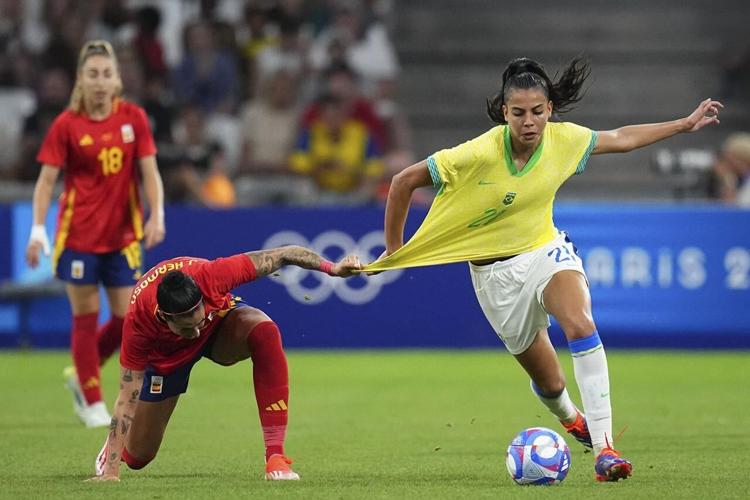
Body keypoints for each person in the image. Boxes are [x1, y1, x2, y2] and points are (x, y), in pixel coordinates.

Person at [366, 57, 723, 482]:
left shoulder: (565, 140)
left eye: (537, 111)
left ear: (550, 109)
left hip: (544, 253)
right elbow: (403, 181)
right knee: (551, 384)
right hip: (494, 281)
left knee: (579, 322)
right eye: (519, 113)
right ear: (505, 112)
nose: (529, 122)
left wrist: (683, 124)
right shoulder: (477, 153)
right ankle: (573, 419)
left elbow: (622, 138)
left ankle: (605, 450)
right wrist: (395, 251)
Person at [90, 246, 363, 482]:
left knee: (264, 331)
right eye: (186, 328)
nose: (195, 330)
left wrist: (333, 268)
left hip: (220, 330)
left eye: (199, 318)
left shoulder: (213, 276)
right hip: (167, 361)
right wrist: (111, 472)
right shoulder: (138, 322)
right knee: (140, 457)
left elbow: (285, 254)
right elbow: (127, 397)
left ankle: (276, 457)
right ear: (164, 317)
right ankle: (114, 450)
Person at [25, 40, 166, 428]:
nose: (100, 82)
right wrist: (38, 232)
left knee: (126, 319)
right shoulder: (66, 125)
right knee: (85, 318)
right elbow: (45, 184)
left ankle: (81, 373)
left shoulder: (134, 118)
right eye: (93, 74)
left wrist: (157, 215)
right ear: (80, 80)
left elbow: (150, 173)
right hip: (78, 239)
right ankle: (91, 400)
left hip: (123, 237)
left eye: (106, 74)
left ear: (117, 78)